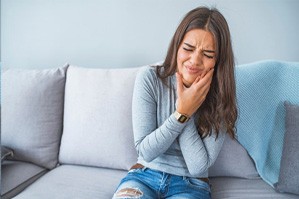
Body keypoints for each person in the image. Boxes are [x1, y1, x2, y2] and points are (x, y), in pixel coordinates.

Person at [113, 6, 237, 199]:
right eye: (188, 48)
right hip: (143, 176)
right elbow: (146, 151)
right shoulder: (149, 78)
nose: (195, 60)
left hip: (192, 185)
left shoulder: (221, 94)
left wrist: (187, 107)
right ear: (177, 47)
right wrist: (181, 113)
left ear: (218, 61)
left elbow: (198, 167)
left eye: (208, 54)